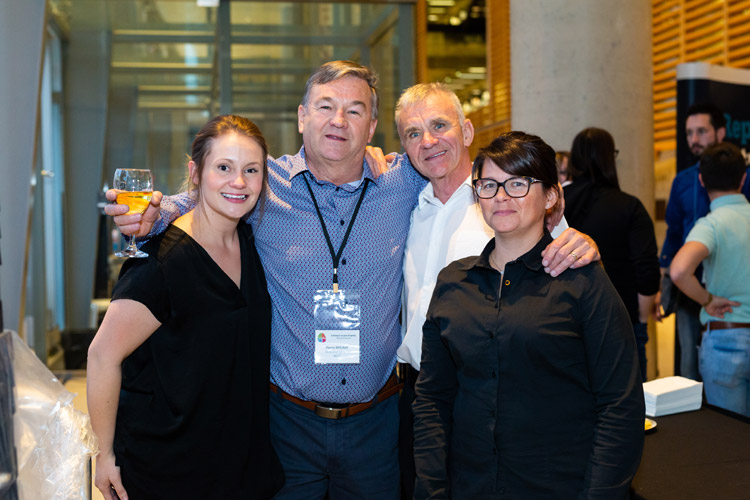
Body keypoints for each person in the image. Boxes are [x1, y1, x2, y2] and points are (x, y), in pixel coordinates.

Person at [105, 61, 595, 500]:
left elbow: (500, 192)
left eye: (355, 110)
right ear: (302, 117)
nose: (338, 120)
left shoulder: (404, 180)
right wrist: (156, 212)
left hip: (376, 424)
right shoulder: (264, 184)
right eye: (325, 106)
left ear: (372, 127)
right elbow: (213, 190)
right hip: (286, 422)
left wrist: (567, 234)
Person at [393, 82, 598, 499]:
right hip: (418, 395)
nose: (428, 141)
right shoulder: (406, 206)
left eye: (439, 125)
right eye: (413, 133)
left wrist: (584, 243)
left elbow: (566, 252)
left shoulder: (504, 204)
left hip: (492, 393)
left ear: (467, 131)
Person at [413, 131, 645, 500]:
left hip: (559, 487)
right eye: (489, 185)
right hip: (470, 486)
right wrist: (431, 489)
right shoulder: (453, 282)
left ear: (551, 196)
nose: (501, 196)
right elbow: (432, 399)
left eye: (518, 183)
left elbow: (620, 404)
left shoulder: (582, 280)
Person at [87, 115, 284, 500]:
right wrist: (104, 454)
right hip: (168, 472)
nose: (238, 182)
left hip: (237, 469)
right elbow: (101, 356)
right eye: (223, 167)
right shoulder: (163, 263)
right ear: (195, 173)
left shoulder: (249, 242)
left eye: (251, 170)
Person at [660, 103, 750, 380]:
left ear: (720, 132)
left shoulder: (741, 177)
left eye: (701, 131)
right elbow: (674, 231)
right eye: (689, 133)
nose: (694, 139)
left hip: (731, 287)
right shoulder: (683, 181)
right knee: (689, 364)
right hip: (690, 287)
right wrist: (663, 280)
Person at [564, 127, 660, 380]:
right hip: (620, 319)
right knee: (625, 396)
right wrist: (640, 320)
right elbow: (647, 270)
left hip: (565, 320)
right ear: (610, 158)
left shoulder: (557, 204)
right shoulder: (629, 206)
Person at [670, 142, 750, 417]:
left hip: (726, 339)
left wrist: (708, 300)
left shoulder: (711, 224)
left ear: (702, 180)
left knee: (730, 435)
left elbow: (679, 270)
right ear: (743, 178)